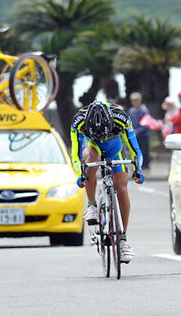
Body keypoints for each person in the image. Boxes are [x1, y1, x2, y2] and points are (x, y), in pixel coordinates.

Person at [70, 101, 145, 263]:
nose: (102, 137)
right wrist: (80, 174)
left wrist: (138, 169)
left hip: (115, 149)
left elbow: (135, 150)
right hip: (93, 148)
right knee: (92, 158)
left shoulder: (121, 118)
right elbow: (75, 155)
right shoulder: (79, 121)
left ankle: (123, 239)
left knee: (121, 189)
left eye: (105, 133)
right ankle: (92, 205)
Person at [127, 92, 151, 171]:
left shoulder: (144, 110)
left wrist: (138, 130)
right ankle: (137, 166)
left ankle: (145, 166)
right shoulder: (131, 111)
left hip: (143, 135)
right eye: (133, 100)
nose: (135, 102)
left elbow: (147, 123)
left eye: (136, 100)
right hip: (134, 135)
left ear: (140, 101)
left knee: (144, 151)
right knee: (135, 150)